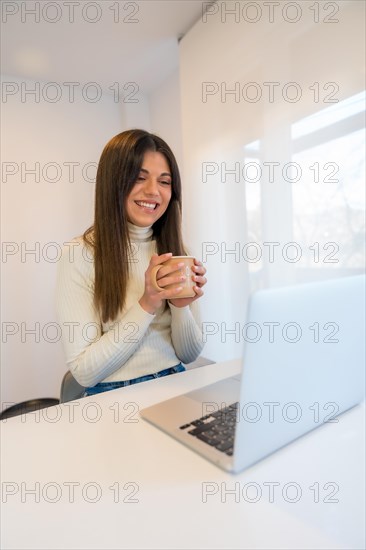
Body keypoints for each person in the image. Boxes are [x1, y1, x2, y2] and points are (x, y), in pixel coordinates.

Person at [56, 129, 207, 397]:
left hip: (176, 382)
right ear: (113, 182)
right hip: (114, 395)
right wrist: (147, 304)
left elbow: (189, 354)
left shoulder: (180, 252)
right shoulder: (80, 254)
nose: (153, 192)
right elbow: (84, 371)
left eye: (164, 181)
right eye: (139, 178)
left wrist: (180, 307)